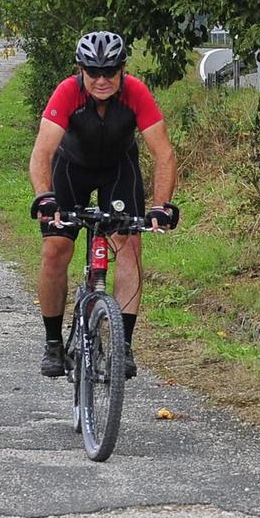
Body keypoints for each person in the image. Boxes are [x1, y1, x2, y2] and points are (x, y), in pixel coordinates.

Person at [28, 30, 178, 379]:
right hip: (71, 170)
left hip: (118, 170)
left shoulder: (136, 92)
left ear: (122, 69)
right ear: (79, 69)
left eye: (110, 71)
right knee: (55, 249)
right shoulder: (67, 92)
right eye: (93, 71)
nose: (101, 79)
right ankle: (53, 344)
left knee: (129, 247)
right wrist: (44, 196)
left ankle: (122, 346)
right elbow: (42, 152)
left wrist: (161, 205)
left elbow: (164, 153)